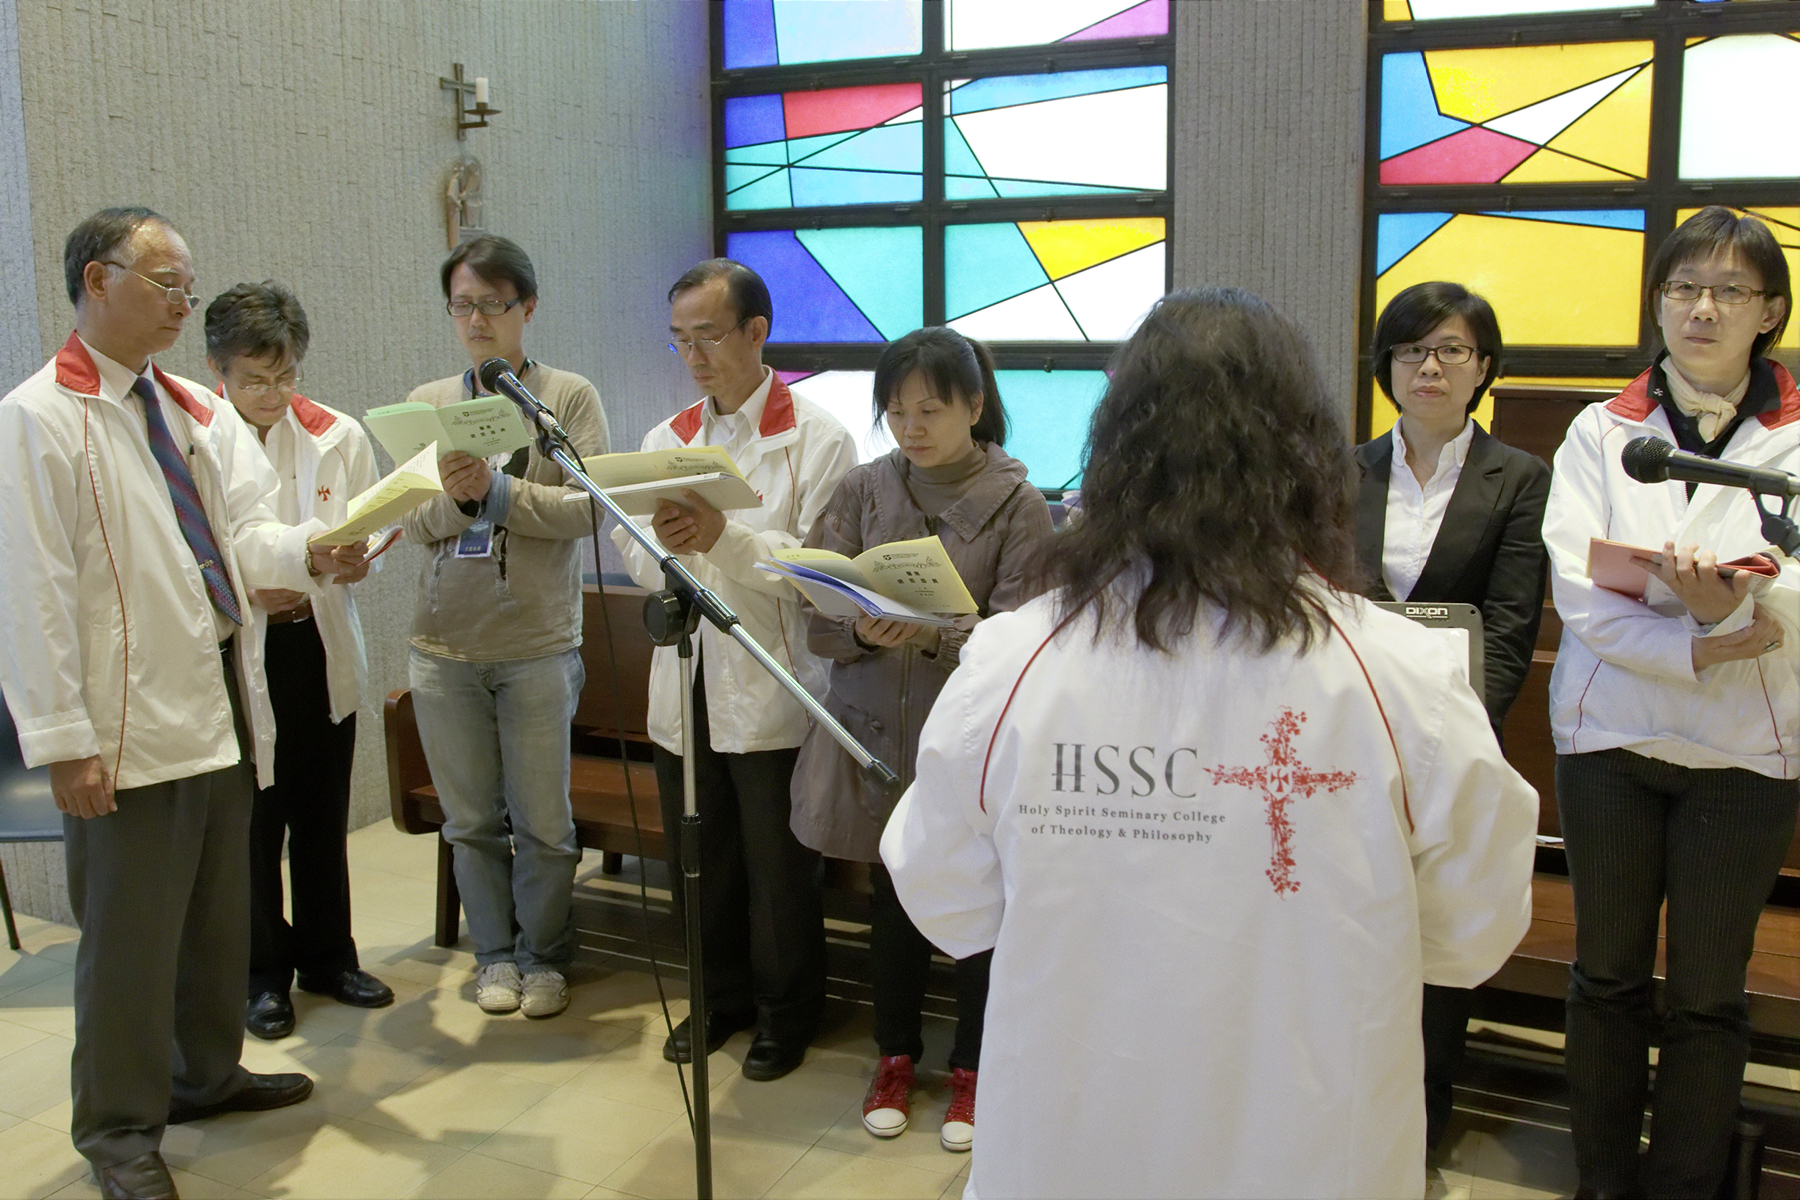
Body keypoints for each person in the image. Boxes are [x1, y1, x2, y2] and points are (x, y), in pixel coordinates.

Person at [881, 287, 1538, 1200]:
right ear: (1307, 458)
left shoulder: (1016, 661)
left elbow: (947, 898)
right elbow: (1473, 930)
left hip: (1073, 1138)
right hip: (1311, 1143)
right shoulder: (1403, 677)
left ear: (1116, 453)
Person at [0, 207, 367, 1199]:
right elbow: (29, 592)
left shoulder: (193, 409)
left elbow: (245, 533)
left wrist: (314, 551)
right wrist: (63, 742)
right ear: (95, 280)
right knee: (130, 944)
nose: (180, 303)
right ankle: (118, 1129)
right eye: (164, 283)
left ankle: (205, 1074)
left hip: (221, 701)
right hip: (123, 728)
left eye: (185, 287)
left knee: (215, 918)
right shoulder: (38, 416)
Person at [1545, 206, 1799, 1200]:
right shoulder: (1601, 430)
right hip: (1610, 739)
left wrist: (1735, 610)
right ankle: (1604, 1182)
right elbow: (1581, 593)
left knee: (1706, 995)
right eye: (1684, 288)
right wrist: (1699, 642)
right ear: (1657, 303)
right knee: (1606, 979)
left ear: (1768, 312)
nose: (1702, 309)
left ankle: (1684, 1187)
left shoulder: (1794, 436)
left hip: (1744, 752)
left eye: (1729, 291)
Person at [788, 327, 1052, 1150]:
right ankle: (895, 1055)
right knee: (893, 903)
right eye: (896, 411)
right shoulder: (863, 489)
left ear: (975, 405)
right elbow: (814, 614)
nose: (911, 427)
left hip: (968, 743)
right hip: (873, 735)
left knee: (980, 903)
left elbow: (1024, 637)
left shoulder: (1018, 503)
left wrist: (935, 634)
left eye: (930, 409)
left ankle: (974, 1068)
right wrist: (861, 631)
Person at [613, 257, 856, 1081]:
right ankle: (717, 1000)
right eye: (680, 340)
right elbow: (630, 546)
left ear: (757, 332)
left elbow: (819, 568)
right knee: (700, 858)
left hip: (772, 682)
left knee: (776, 869)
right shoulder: (666, 438)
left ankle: (787, 1014)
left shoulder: (818, 437)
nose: (694, 356)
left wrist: (724, 539)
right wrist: (663, 546)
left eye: (709, 337)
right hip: (684, 677)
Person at [1353, 281, 1552, 1152]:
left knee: (1438, 925)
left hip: (1458, 741)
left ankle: (1425, 1123)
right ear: (1387, 366)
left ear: (1483, 367)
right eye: (1410, 350)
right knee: (1354, 920)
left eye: (1451, 350)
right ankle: (1352, 1111)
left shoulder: (1520, 478)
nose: (1429, 367)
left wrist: (1455, 734)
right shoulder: (1342, 471)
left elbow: (1509, 629)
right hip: (1351, 739)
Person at [400, 235, 610, 1020]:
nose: (476, 319)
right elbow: (408, 521)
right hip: (443, 646)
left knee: (544, 824)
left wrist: (496, 495)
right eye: (462, 304)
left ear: (528, 307)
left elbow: (590, 507)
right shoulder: (429, 402)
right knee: (471, 823)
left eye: (492, 303)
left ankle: (544, 956)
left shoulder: (567, 396)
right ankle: (493, 954)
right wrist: (457, 502)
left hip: (536, 645)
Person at [204, 282, 395, 1041]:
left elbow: (367, 527)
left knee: (321, 809)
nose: (273, 393)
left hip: (316, 639)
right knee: (255, 823)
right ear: (218, 369)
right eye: (255, 379)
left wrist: (360, 559)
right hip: (240, 649)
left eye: (286, 375)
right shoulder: (200, 438)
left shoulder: (335, 433)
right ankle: (261, 976)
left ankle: (328, 957)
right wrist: (261, 578)